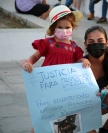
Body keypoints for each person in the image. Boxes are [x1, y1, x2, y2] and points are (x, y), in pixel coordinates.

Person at [22, 5, 90, 133]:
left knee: (60, 114)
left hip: (65, 88)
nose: (64, 30)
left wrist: (83, 60)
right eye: (60, 27)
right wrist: (29, 62)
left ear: (72, 28)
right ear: (53, 28)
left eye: (67, 27)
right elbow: (36, 56)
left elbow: (78, 59)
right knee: (44, 115)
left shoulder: (74, 47)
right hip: (48, 86)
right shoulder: (48, 43)